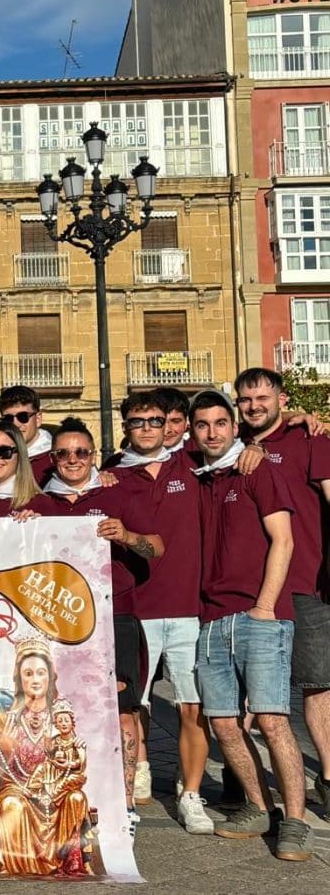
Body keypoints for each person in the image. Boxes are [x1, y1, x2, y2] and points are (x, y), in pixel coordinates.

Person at [187, 389, 309, 861]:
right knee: (223, 724)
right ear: (193, 432)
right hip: (212, 618)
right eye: (203, 425)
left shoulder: (260, 470)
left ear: (235, 427)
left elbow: (284, 540)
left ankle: (294, 821)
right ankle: (260, 807)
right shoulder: (200, 476)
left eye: (221, 423)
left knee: (275, 721)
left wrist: (264, 606)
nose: (213, 432)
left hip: (261, 616)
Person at [27, 417, 163, 827]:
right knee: (60, 710)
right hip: (58, 622)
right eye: (64, 453)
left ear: (93, 456)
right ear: (53, 459)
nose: (73, 459)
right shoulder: (37, 504)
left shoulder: (117, 496)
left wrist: (124, 535)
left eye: (81, 452)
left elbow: (156, 547)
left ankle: (126, 808)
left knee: (122, 711)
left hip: (115, 615)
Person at [232, 368, 330, 811]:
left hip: (306, 582)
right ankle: (244, 779)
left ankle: (327, 778)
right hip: (250, 588)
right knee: (245, 690)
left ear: (281, 399)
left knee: (316, 686)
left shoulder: (310, 439)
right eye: (246, 399)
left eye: (263, 398)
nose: (255, 405)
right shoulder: (231, 444)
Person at [115, 392, 211, 830]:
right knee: (137, 704)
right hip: (138, 611)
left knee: (193, 707)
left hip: (189, 609)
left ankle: (190, 794)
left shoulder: (193, 466)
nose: (151, 428)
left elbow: (240, 442)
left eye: (157, 420)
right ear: (126, 427)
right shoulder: (111, 477)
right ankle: (142, 770)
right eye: (139, 422)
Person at [0, 637, 90, 876]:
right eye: (28, 673)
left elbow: (74, 758)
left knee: (75, 798)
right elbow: (0, 767)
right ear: (19, 678)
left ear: (50, 677)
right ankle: (20, 864)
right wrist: (7, 742)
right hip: (18, 787)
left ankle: (67, 859)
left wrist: (63, 770)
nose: (34, 680)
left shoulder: (60, 714)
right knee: (12, 805)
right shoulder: (12, 716)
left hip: (55, 786)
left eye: (40, 673)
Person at [0, 385, 52, 483]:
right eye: (8, 419)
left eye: (23, 417)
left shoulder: (56, 458)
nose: (15, 424)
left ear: (38, 419)